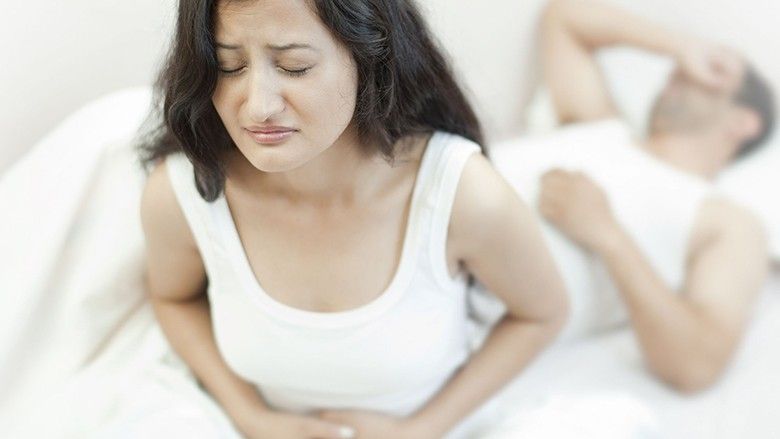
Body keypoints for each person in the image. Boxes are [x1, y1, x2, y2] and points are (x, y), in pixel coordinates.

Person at [137, 0, 568, 438]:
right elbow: (174, 299)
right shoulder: (182, 193)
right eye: (228, 67)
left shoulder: (462, 191)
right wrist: (251, 417)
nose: (257, 107)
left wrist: (421, 429)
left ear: (370, 57)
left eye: (294, 67)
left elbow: (542, 314)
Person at [529, 0, 773, 393]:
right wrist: (683, 47)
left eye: (717, 75)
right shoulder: (601, 125)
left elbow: (697, 364)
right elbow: (563, 19)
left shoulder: (728, 222)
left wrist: (607, 234)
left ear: (743, 122)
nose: (684, 72)